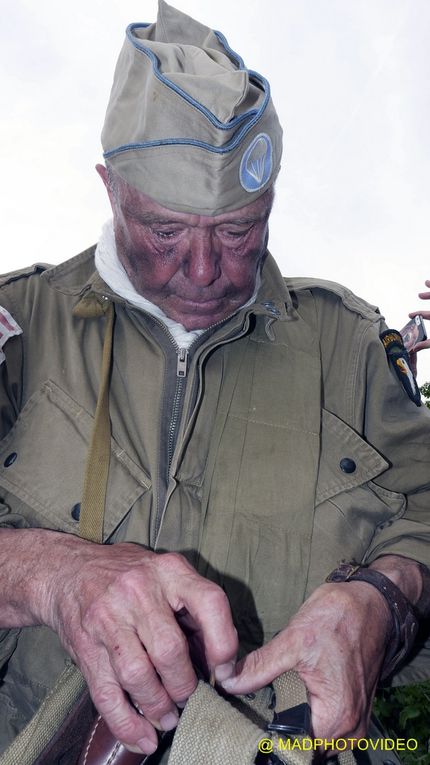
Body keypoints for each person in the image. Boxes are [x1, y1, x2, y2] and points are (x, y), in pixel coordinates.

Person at [0, 2, 429, 761]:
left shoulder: (351, 346)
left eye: (238, 231)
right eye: (165, 231)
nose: (203, 270)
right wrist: (49, 572)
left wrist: (386, 596)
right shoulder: (21, 329)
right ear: (109, 189)